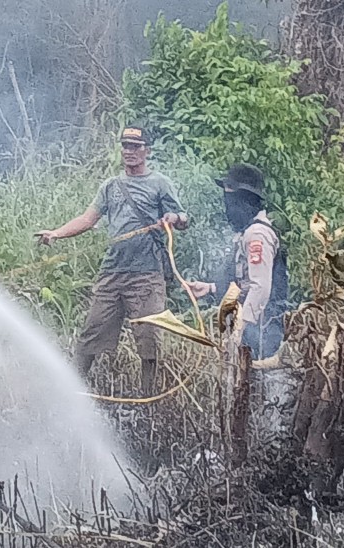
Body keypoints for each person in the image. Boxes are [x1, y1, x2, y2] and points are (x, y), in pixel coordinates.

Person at [36, 126, 188, 394]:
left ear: (147, 151)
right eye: (126, 146)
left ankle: (147, 399)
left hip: (146, 274)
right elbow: (87, 219)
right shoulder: (111, 186)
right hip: (112, 273)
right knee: (92, 332)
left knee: (149, 338)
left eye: (135, 146)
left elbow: (183, 218)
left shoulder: (160, 184)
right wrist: (56, 234)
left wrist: (173, 219)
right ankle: (72, 392)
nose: (129, 151)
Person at [187, 164, 288, 359]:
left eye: (230, 197)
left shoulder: (257, 234)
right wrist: (210, 288)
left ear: (244, 198)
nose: (227, 204)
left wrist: (242, 327)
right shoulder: (248, 232)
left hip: (263, 327)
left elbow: (260, 287)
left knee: (261, 380)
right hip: (255, 325)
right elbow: (245, 281)